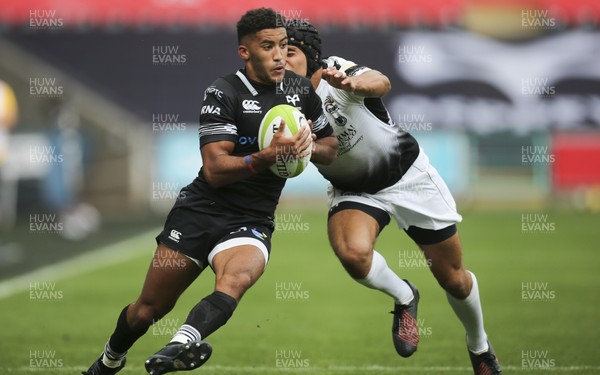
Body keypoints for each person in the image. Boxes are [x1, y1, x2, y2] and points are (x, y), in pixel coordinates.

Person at [82, 8, 337, 375]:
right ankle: (110, 359)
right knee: (148, 310)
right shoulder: (223, 92)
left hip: (252, 218)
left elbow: (331, 147)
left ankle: (177, 347)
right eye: (268, 46)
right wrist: (267, 156)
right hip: (201, 210)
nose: (280, 55)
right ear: (245, 52)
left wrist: (308, 144)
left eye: (283, 45)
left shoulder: (300, 92)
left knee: (237, 279)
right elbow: (216, 170)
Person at [284, 22, 502, 375]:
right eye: (275, 51)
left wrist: (356, 84)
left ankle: (479, 346)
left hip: (408, 176)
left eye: (288, 51)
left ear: (311, 57)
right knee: (353, 255)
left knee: (453, 278)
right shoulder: (276, 101)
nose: (279, 58)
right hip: (354, 190)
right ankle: (404, 296)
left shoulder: (335, 72)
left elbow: (381, 81)